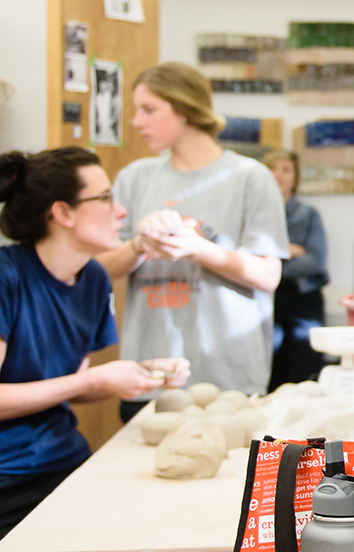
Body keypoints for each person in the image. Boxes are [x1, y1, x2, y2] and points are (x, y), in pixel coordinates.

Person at [0, 148, 190, 552]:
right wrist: (95, 377)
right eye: (104, 198)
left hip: (62, 462)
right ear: (63, 213)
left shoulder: (93, 280)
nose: (120, 212)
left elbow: (67, 385)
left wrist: (134, 375)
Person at [94, 62, 289, 421]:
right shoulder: (135, 178)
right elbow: (96, 272)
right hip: (150, 377)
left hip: (230, 381)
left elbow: (268, 276)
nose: (137, 122)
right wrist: (138, 245)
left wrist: (198, 248)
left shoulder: (251, 178)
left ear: (184, 109)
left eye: (149, 109)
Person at [261, 148, 329, 389]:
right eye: (272, 168)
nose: (278, 174)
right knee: (270, 373)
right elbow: (247, 257)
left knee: (305, 371)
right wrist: (287, 250)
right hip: (266, 298)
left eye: (286, 169)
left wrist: (270, 263)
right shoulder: (256, 214)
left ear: (295, 178)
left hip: (303, 299)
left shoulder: (308, 215)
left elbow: (315, 261)